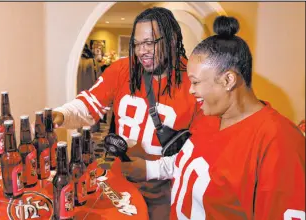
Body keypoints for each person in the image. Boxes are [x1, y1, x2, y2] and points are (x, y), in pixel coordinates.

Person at [122, 16, 305, 219]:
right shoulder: (210, 115)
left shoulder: (278, 141)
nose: (191, 91)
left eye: (196, 82)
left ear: (228, 80)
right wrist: (149, 169)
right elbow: (189, 162)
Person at [52, 7, 201, 219]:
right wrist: (61, 114)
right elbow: (90, 104)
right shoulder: (123, 69)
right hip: (118, 181)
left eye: (149, 43)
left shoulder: (195, 82)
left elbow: (199, 154)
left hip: (166, 192)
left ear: (172, 39)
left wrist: (151, 169)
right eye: (137, 44)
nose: (141, 51)